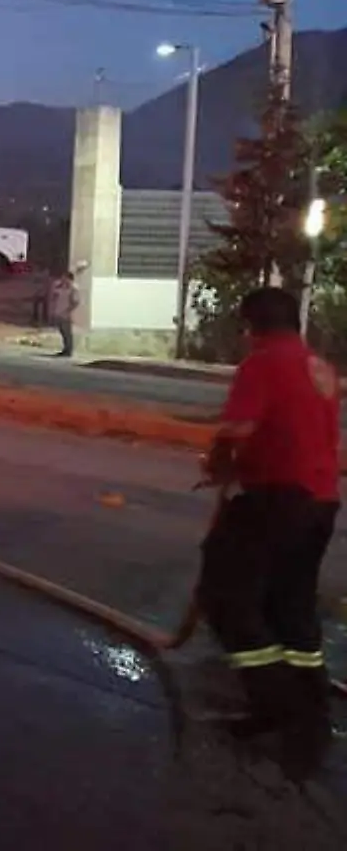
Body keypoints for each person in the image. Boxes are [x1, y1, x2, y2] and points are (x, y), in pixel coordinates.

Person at [194, 286, 339, 777]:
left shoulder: (261, 363)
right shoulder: (319, 366)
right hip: (321, 502)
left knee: (226, 598)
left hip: (275, 497)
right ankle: (310, 697)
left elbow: (237, 431)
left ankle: (277, 701)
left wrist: (217, 467)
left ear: (253, 326)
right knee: (289, 603)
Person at [48, 270, 79, 357]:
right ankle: (65, 349)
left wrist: (68, 311)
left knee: (67, 332)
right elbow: (53, 297)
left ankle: (69, 350)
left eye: (65, 278)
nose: (63, 279)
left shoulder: (73, 288)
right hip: (58, 312)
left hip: (66, 314)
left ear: (69, 279)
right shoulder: (59, 287)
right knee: (62, 332)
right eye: (62, 277)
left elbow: (75, 302)